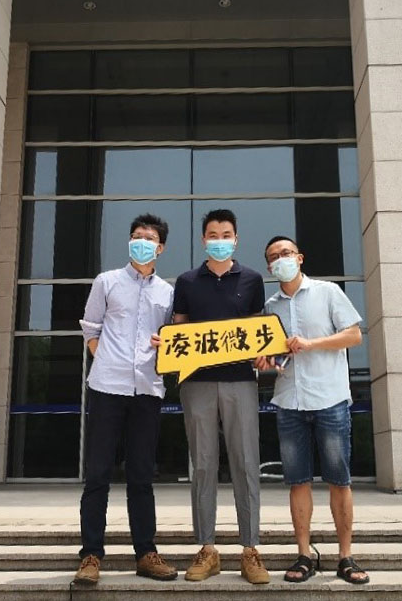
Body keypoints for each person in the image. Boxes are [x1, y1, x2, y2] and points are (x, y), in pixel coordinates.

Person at [152, 209, 270, 584]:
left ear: (236, 239)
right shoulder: (187, 282)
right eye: (213, 235)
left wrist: (264, 353)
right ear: (204, 240)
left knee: (246, 463)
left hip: (240, 382)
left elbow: (258, 330)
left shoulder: (252, 279)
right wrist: (168, 343)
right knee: (203, 465)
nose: (220, 240)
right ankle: (207, 548)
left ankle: (250, 550)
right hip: (197, 383)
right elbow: (180, 329)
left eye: (226, 234)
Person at [256, 235, 370, 585]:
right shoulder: (270, 307)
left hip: (330, 399)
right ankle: (304, 555)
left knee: (339, 480)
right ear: (269, 267)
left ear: (300, 257)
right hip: (289, 401)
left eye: (286, 253)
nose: (281, 259)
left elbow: (354, 336)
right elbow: (270, 355)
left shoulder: (328, 292)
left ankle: (346, 557)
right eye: (274, 257)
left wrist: (311, 343)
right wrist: (265, 362)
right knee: (297, 481)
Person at [74, 214, 178, 586]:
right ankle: (90, 555)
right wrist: (105, 358)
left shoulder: (168, 292)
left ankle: (146, 553)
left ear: (160, 248)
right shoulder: (107, 281)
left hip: (147, 389)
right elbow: (91, 328)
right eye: (136, 236)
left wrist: (167, 343)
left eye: (149, 239)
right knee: (97, 474)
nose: (141, 243)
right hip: (107, 387)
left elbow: (174, 339)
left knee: (141, 475)